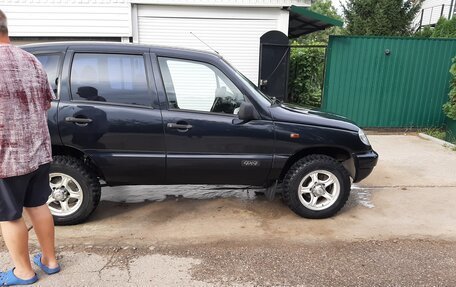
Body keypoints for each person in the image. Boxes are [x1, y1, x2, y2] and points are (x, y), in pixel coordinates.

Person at [0, 9, 60, 286]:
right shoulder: (31, 59)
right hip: (38, 151)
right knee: (38, 204)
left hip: (5, 157)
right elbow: (46, 102)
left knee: (9, 215)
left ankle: (23, 273)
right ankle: (50, 261)